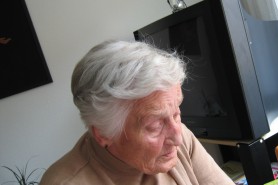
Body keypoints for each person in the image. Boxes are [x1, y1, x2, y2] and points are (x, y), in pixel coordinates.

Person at [40, 40, 235, 185]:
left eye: (176, 112)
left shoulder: (181, 137)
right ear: (103, 134)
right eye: (154, 125)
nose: (176, 136)